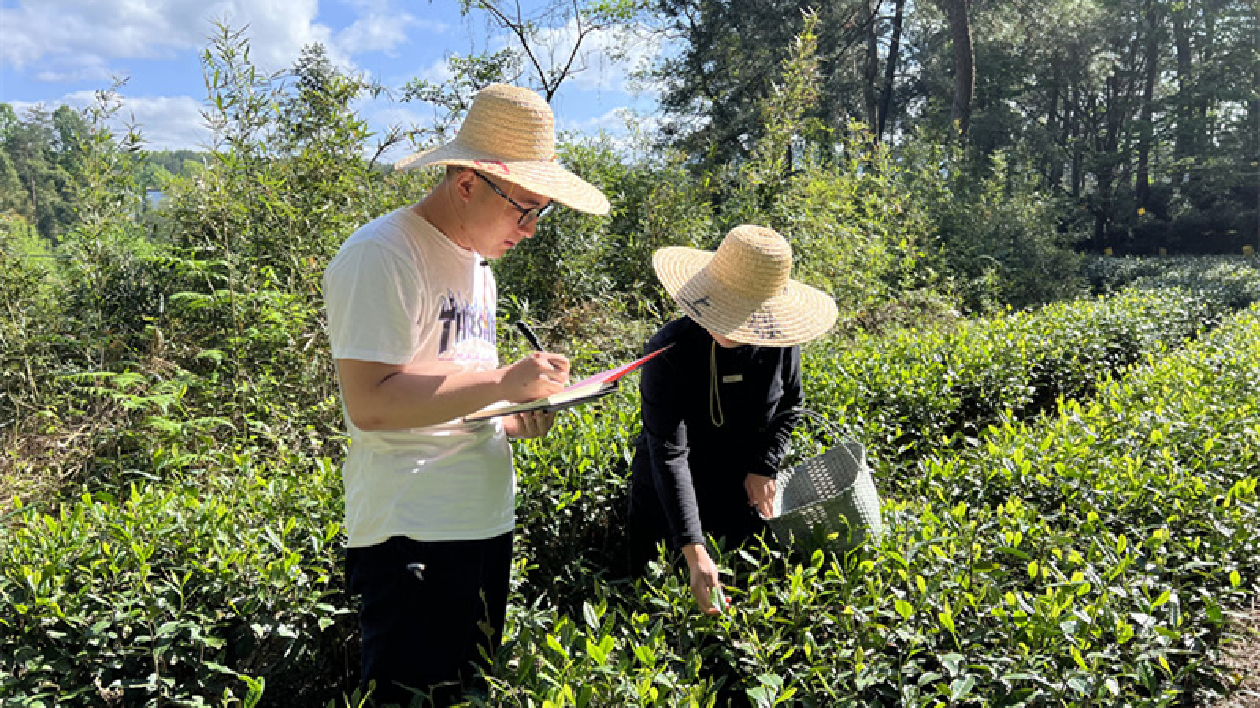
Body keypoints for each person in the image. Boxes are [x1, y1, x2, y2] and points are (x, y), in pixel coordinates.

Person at [322, 83, 609, 707]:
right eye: (524, 209)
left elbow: (452, 397)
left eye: (541, 212)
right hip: (414, 535)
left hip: (482, 525)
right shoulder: (382, 255)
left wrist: (512, 415)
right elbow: (371, 402)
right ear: (469, 184)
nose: (530, 230)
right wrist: (504, 382)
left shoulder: (478, 268)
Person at [627, 225, 838, 615]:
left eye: (746, 312)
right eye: (726, 306)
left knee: (748, 595)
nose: (730, 323)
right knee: (654, 603)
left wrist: (765, 464)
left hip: (736, 492)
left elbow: (791, 403)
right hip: (669, 499)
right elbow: (669, 453)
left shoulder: (779, 344)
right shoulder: (669, 352)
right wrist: (693, 549)